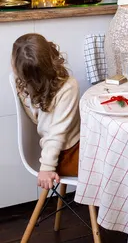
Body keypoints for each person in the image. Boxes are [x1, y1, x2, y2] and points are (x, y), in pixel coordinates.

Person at [12, 33, 80, 190]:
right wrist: (47, 167)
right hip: (66, 156)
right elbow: (56, 133)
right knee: (115, 156)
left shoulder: (24, 83)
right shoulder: (69, 86)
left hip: (53, 151)